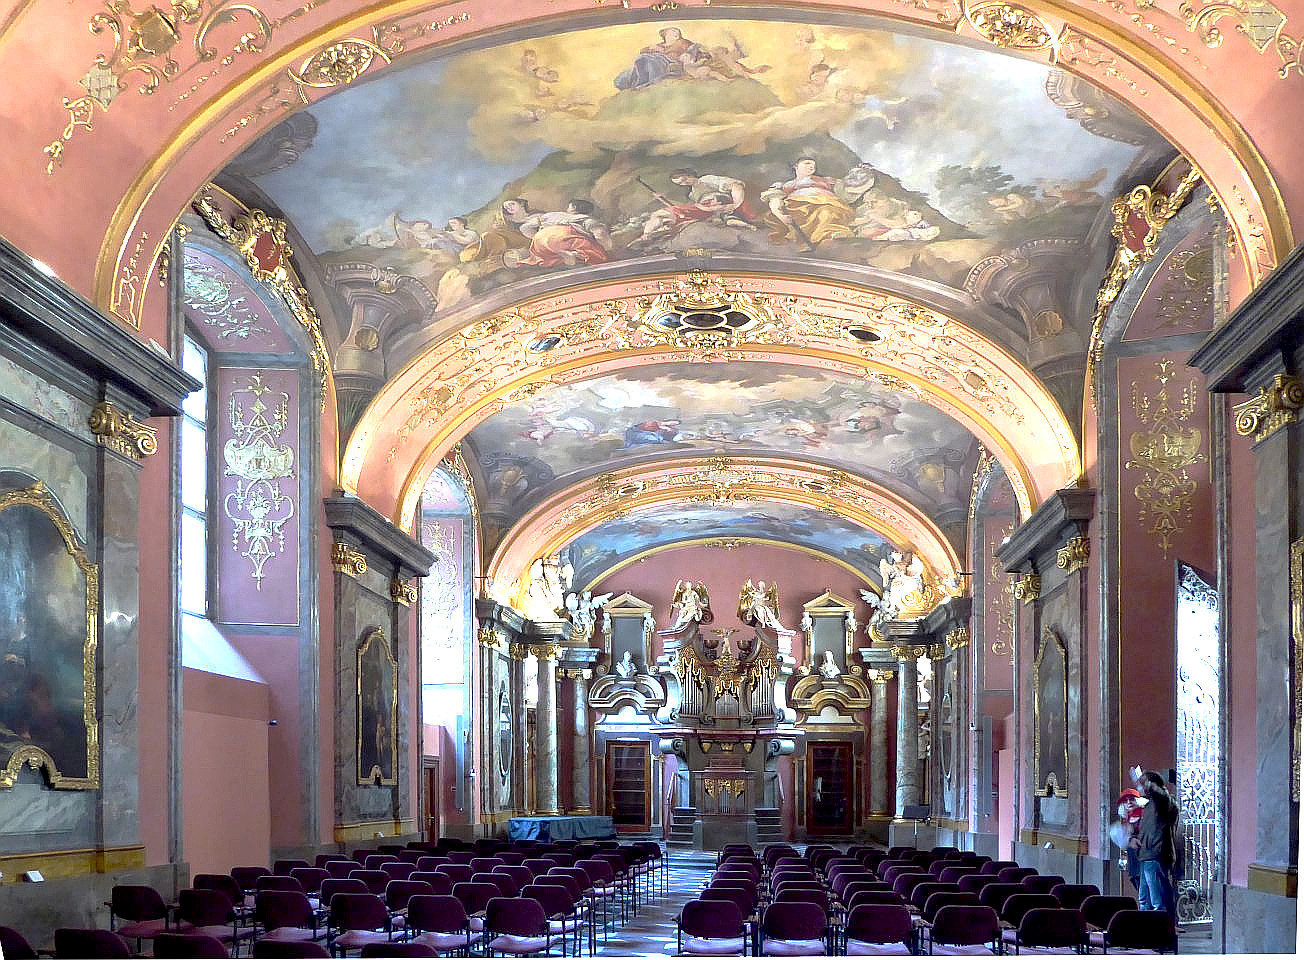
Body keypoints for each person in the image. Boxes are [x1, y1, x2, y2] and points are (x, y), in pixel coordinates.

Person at [761, 157, 855, 249]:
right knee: (823, 213)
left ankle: (831, 237)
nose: (811, 166)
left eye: (814, 165)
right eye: (807, 163)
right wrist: (780, 215)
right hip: (799, 208)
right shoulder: (786, 185)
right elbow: (775, 200)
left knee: (827, 212)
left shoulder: (826, 181)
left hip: (828, 203)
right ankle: (816, 241)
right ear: (796, 166)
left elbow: (849, 189)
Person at [1130, 770, 1178, 918]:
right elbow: (1145, 829)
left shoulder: (1165, 802)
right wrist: (1134, 838)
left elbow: (1162, 796)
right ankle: (1146, 926)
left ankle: (1161, 927)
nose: (1142, 788)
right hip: (1145, 855)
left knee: (1157, 900)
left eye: (1145, 783)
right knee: (1144, 899)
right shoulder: (1149, 805)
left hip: (1156, 854)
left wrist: (1148, 784)